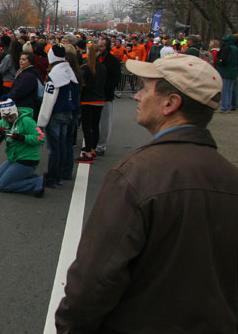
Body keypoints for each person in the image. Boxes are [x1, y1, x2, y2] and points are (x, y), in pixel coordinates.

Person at [55, 54, 238, 332]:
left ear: (171, 103)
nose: (137, 96)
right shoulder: (230, 177)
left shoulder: (136, 174)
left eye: (146, 89)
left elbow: (94, 280)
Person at [36, 45, 80, 188]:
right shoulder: (70, 72)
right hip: (68, 113)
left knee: (54, 148)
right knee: (63, 145)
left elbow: (48, 100)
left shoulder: (54, 75)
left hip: (55, 114)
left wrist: (41, 121)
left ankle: (53, 177)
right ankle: (63, 173)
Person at [0, 98, 46, 196]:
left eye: (11, 117)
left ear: (16, 112)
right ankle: (26, 177)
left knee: (2, 186)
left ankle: (36, 183)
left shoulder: (26, 121)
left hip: (27, 159)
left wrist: (23, 138)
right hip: (13, 158)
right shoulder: (2, 123)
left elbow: (41, 137)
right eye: (6, 118)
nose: (9, 120)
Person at [76, 42, 107, 163]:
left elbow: (83, 85)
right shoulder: (103, 68)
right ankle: (93, 149)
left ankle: (88, 153)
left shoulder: (86, 68)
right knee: (95, 126)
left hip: (88, 100)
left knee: (87, 127)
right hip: (100, 99)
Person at [94, 37, 121, 157]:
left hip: (106, 96)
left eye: (102, 46)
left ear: (107, 47)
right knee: (94, 121)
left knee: (104, 123)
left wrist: (104, 88)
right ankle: (93, 143)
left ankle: (101, 146)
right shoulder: (95, 58)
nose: (99, 48)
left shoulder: (113, 61)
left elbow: (115, 79)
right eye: (98, 46)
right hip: (94, 95)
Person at [5, 52, 40, 121]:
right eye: (20, 59)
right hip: (24, 104)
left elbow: (19, 91)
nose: (21, 61)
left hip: (25, 107)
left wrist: (8, 97)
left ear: (30, 61)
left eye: (24, 59)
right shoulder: (24, 72)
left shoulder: (28, 75)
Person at [216, 33, 237, 112]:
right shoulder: (235, 48)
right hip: (233, 72)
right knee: (230, 90)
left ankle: (224, 107)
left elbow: (222, 59)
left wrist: (220, 63)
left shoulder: (226, 48)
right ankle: (229, 105)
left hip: (225, 71)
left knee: (225, 90)